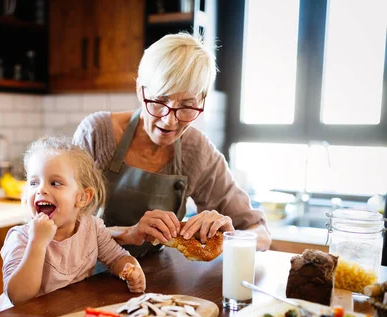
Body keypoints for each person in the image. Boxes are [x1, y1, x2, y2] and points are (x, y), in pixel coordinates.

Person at [73, 32, 271, 257]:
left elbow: (261, 232)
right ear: (140, 90)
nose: (170, 121)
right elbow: (62, 228)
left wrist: (229, 236)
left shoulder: (196, 150)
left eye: (187, 106)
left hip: (158, 280)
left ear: (202, 100)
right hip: (90, 274)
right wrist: (129, 233)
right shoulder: (97, 133)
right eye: (159, 101)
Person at [0, 136, 146, 313]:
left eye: (55, 183)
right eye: (34, 182)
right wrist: (37, 243)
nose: (41, 189)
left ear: (82, 197)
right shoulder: (22, 237)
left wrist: (131, 269)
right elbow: (18, 297)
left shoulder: (91, 228)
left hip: (65, 315)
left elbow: (117, 258)